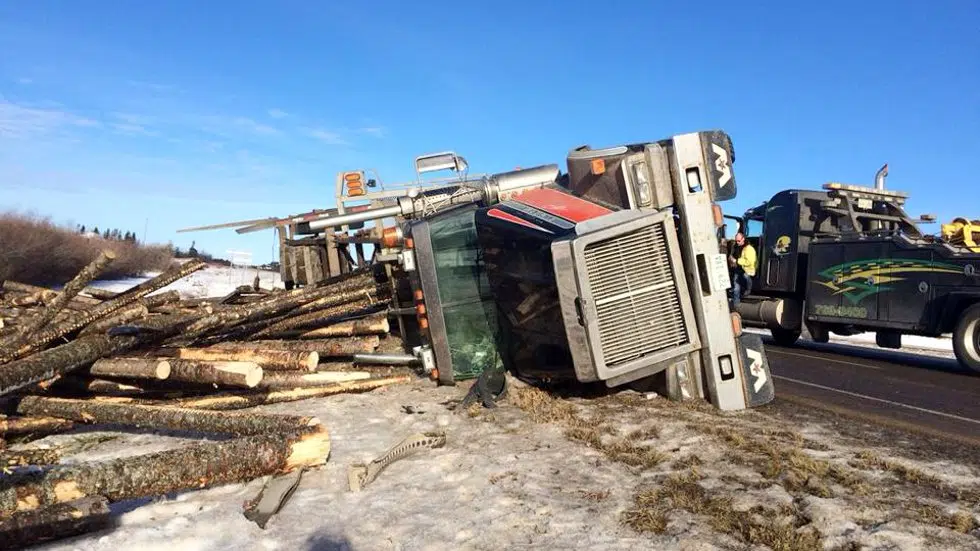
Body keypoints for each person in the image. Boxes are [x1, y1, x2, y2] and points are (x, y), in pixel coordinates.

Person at [729, 232, 756, 306]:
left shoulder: (749, 249)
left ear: (743, 239)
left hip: (747, 271)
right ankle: (736, 305)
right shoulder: (735, 247)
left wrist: (736, 261)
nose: (737, 242)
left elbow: (749, 262)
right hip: (738, 269)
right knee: (736, 288)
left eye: (739, 241)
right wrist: (731, 260)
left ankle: (748, 290)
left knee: (745, 276)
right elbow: (733, 256)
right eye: (736, 241)